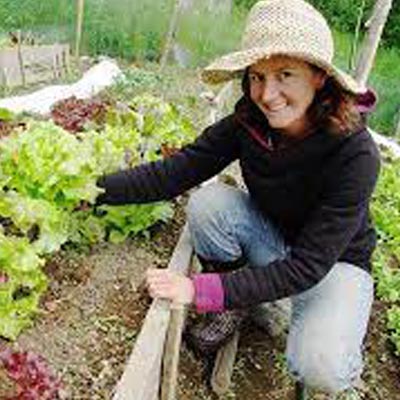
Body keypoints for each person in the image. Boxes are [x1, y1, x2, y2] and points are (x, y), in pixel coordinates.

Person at [96, 0, 380, 396]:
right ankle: (240, 306)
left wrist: (199, 289)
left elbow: (309, 265)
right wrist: (92, 191)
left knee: (320, 367)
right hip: (275, 239)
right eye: (257, 76)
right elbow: (176, 172)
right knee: (209, 205)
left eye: (285, 74)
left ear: (318, 77)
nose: (268, 93)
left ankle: (325, 333)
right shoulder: (249, 125)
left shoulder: (356, 154)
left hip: (334, 265)